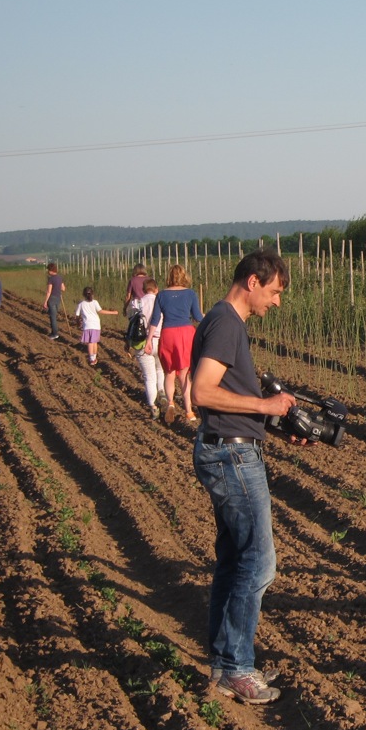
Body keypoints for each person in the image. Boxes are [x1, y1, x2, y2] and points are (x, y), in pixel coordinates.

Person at [190, 250, 297, 705]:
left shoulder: (224, 321)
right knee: (258, 562)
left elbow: (225, 393)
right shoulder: (226, 323)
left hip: (230, 449)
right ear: (253, 282)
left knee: (235, 561)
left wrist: (273, 421)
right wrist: (264, 407)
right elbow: (201, 390)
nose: (276, 303)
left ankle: (225, 661)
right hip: (231, 458)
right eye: (274, 292)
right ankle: (237, 667)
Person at [150, 264, 204, 424]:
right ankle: (189, 412)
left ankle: (171, 403)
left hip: (168, 334)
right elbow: (198, 317)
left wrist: (148, 340)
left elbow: (155, 320)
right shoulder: (190, 293)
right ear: (184, 276)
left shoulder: (161, 295)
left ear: (169, 277)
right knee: (185, 374)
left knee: (169, 373)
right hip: (186, 334)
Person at [127, 277, 167, 418]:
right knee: (160, 370)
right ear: (156, 289)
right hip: (161, 340)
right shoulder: (162, 302)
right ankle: (162, 391)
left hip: (143, 343)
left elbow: (130, 320)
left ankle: (153, 407)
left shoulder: (137, 303)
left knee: (149, 377)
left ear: (144, 290)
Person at [74, 286, 117, 365]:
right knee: (94, 342)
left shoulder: (81, 304)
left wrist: (78, 323)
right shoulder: (95, 302)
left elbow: (76, 315)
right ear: (92, 294)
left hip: (87, 325)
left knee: (90, 342)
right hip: (96, 325)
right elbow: (101, 311)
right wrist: (113, 312)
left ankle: (92, 358)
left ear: (83, 294)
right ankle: (94, 357)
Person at [43, 262, 65, 339]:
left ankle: (54, 334)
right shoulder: (60, 278)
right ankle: (54, 332)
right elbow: (63, 288)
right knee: (54, 315)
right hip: (58, 298)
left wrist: (45, 301)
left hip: (52, 299)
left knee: (52, 317)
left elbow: (49, 291)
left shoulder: (51, 279)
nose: (48, 271)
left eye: (48, 270)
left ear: (51, 270)